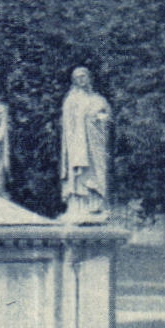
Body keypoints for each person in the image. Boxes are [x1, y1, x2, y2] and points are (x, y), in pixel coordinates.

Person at [60, 67, 112, 222]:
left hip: (96, 142)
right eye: (77, 77)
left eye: (83, 76)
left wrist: (101, 119)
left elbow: (108, 117)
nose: (81, 80)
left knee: (98, 170)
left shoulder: (99, 99)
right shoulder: (71, 100)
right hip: (78, 143)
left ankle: (96, 205)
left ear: (89, 78)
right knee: (80, 175)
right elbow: (68, 125)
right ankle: (78, 206)